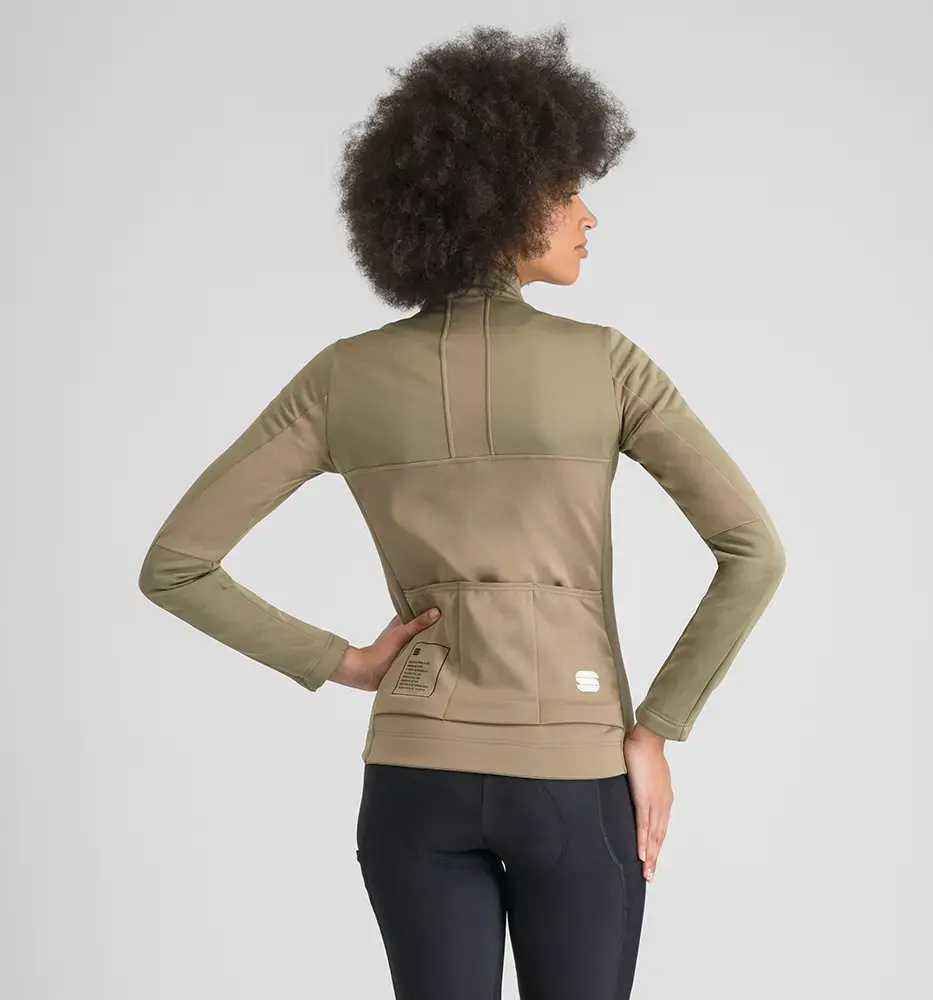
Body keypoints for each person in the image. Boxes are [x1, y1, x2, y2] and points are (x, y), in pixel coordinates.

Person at [137, 22, 786, 1000]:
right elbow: (753, 551)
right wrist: (655, 731)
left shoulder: (341, 378)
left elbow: (175, 565)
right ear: (503, 197)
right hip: (575, 778)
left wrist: (347, 663)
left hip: (414, 780)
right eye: (566, 190)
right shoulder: (608, 364)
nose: (588, 215)